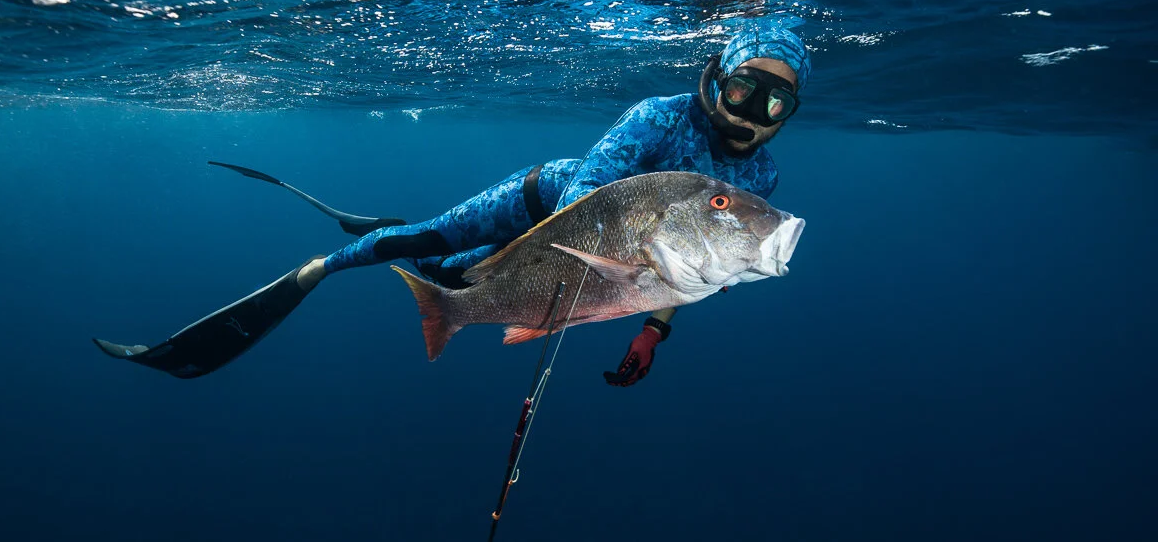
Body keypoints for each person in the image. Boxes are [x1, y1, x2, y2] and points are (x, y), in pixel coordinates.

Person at [93, 20, 812, 383]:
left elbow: (695, 266)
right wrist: (580, 272)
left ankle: (400, 247)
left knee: (447, 284)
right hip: (543, 205)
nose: (754, 110)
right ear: (717, 76)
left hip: (608, 261)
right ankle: (332, 261)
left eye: (777, 99)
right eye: (746, 86)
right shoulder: (658, 116)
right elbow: (591, 189)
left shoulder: (762, 183)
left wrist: (653, 327)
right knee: (431, 243)